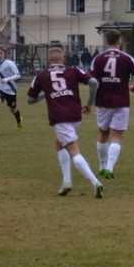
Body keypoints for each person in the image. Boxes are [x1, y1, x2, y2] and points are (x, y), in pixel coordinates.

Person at [27, 46, 103, 198]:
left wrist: (45, 95)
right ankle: (67, 181)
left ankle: (95, 183)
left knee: (73, 151)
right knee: (59, 144)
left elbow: (30, 99)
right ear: (63, 59)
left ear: (47, 61)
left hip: (59, 117)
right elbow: (94, 82)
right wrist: (89, 103)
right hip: (75, 115)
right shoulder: (73, 70)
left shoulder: (41, 75)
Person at [90, 29, 134, 178]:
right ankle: (109, 168)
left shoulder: (98, 59)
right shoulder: (127, 58)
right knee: (117, 136)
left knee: (103, 133)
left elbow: (91, 80)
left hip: (102, 101)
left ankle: (102, 166)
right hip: (121, 101)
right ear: (119, 41)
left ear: (107, 41)